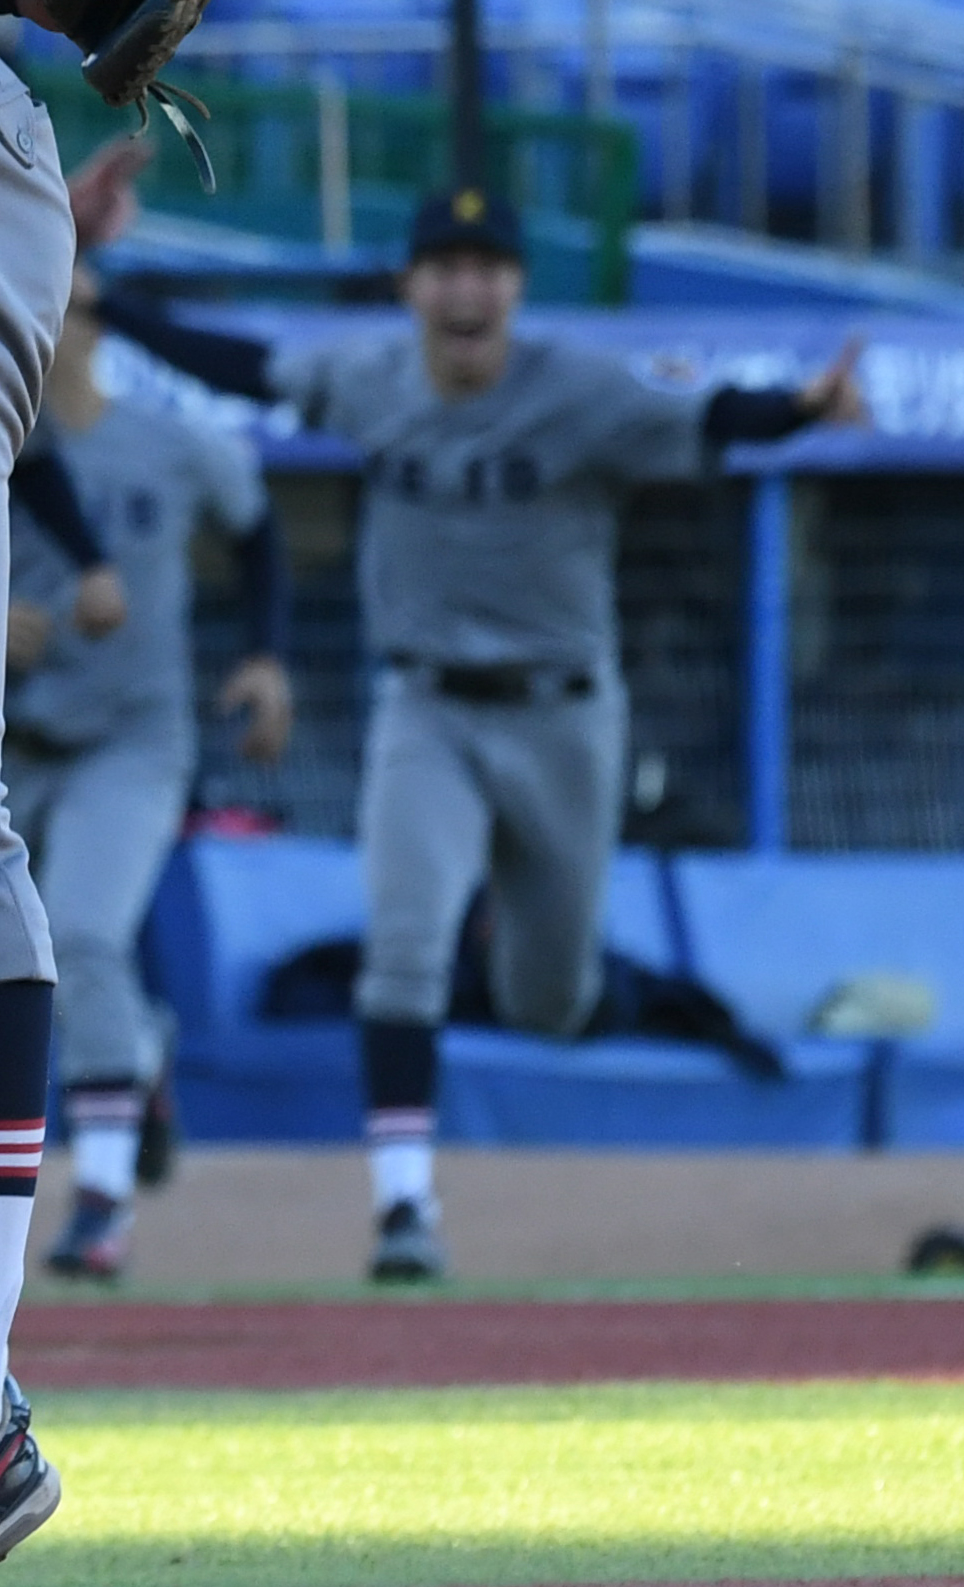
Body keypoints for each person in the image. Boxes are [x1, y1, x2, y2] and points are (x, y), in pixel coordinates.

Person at [111, 186, 862, 1284]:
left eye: (486, 267)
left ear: (513, 286)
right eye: (444, 266)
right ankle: (404, 1211)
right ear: (412, 285)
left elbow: (707, 421)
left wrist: (800, 410)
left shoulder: (574, 389)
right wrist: (116, 311)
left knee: (544, 1000)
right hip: (426, 707)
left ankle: (560, 971)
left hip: (561, 716)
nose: (465, 288)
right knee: (404, 945)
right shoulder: (371, 376)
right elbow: (246, 366)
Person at [4, 217, 292, 1284]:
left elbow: (259, 524)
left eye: (77, 305)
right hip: (5, 734)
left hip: (132, 737)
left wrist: (267, 654)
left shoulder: (168, 439)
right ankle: (144, 1053)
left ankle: (104, 1199)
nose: (59, 326)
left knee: (82, 937)